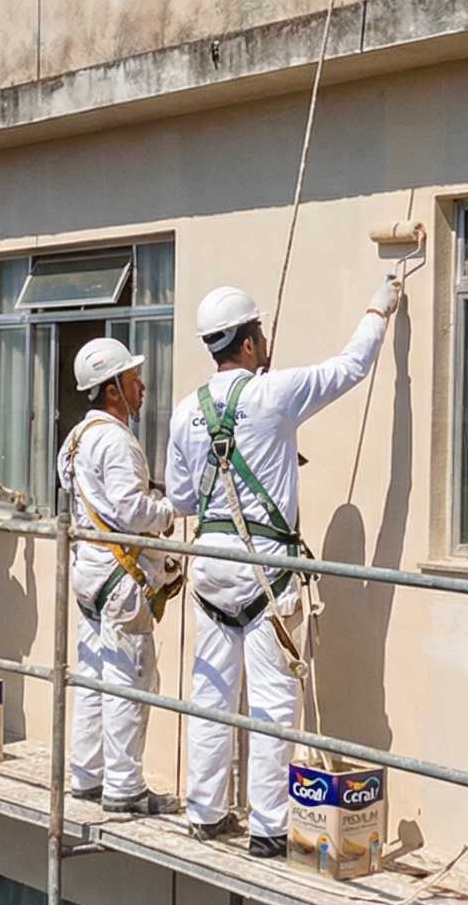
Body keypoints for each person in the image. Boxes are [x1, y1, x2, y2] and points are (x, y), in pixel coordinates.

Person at [166, 279, 399, 855]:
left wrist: (231, 475)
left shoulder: (185, 411)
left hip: (212, 568)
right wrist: (379, 306)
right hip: (264, 567)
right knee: (272, 702)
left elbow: (182, 501)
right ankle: (268, 827)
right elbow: (350, 367)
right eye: (260, 332)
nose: (265, 340)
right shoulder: (276, 393)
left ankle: (205, 811)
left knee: (211, 694)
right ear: (247, 343)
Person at [57, 337, 180, 815]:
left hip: (90, 569)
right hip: (117, 575)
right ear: (112, 391)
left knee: (92, 675)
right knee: (130, 679)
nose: (142, 387)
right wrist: (167, 512)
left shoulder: (76, 438)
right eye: (133, 381)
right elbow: (131, 510)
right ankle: (125, 787)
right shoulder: (114, 439)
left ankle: (87, 775)